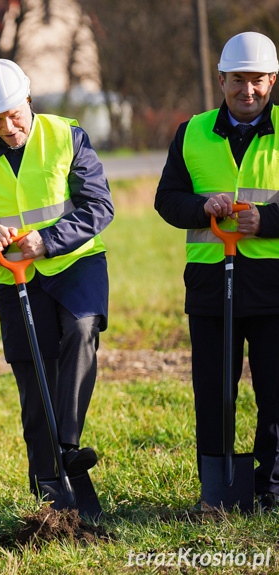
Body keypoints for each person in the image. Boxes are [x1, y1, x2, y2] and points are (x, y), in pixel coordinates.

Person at [0, 59, 114, 496]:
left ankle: (66, 445)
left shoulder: (66, 136)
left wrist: (49, 240)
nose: (7, 126)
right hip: (14, 279)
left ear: (28, 99)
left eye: (14, 114)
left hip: (74, 265)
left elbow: (99, 206)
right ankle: (49, 486)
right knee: (33, 378)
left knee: (81, 331)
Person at [155, 31, 279, 510]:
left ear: (272, 80)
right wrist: (203, 207)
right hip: (210, 286)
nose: (247, 91)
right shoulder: (192, 131)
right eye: (237, 80)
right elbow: (167, 200)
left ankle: (271, 488)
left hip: (273, 288)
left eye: (257, 81)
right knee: (213, 393)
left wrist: (265, 221)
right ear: (221, 79)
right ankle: (218, 489)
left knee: (275, 394)